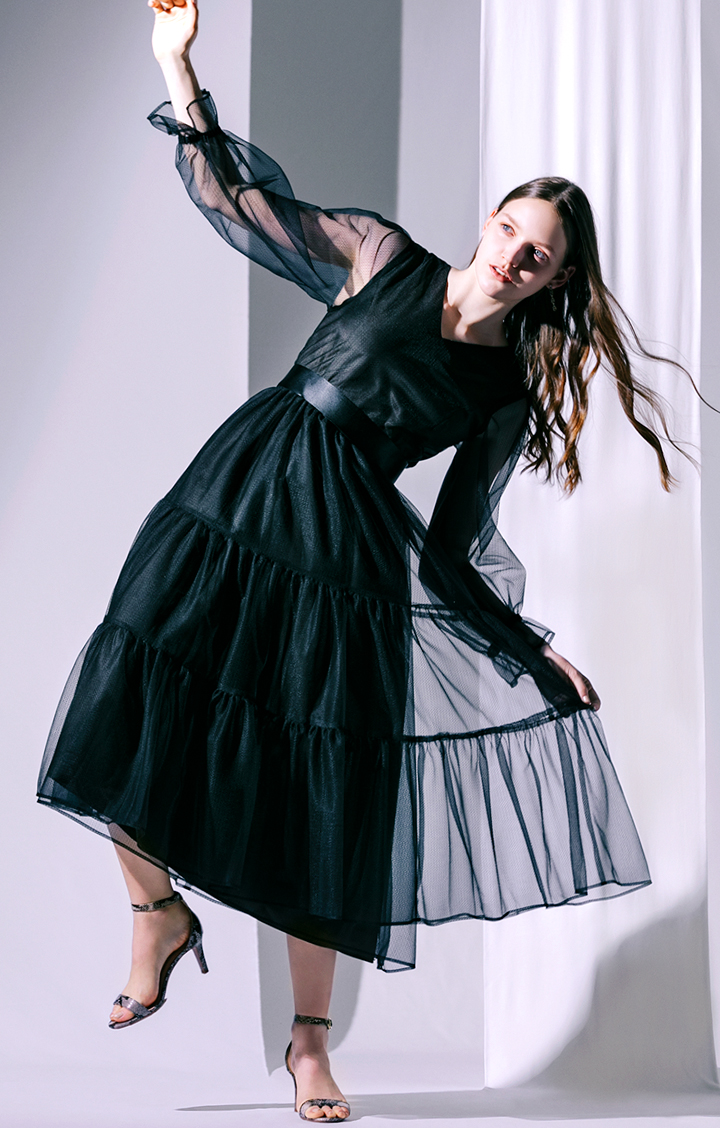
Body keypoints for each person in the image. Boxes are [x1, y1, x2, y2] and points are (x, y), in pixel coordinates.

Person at [39, 0, 693, 1120]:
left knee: (325, 797)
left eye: (538, 256)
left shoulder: (502, 390)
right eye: (510, 231)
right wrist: (176, 68)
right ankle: (157, 915)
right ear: (488, 221)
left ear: (553, 279)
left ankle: (310, 1048)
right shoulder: (383, 255)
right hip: (236, 500)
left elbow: (453, 547)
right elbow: (241, 205)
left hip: (344, 563)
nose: (515, 257)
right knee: (128, 690)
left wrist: (529, 653)